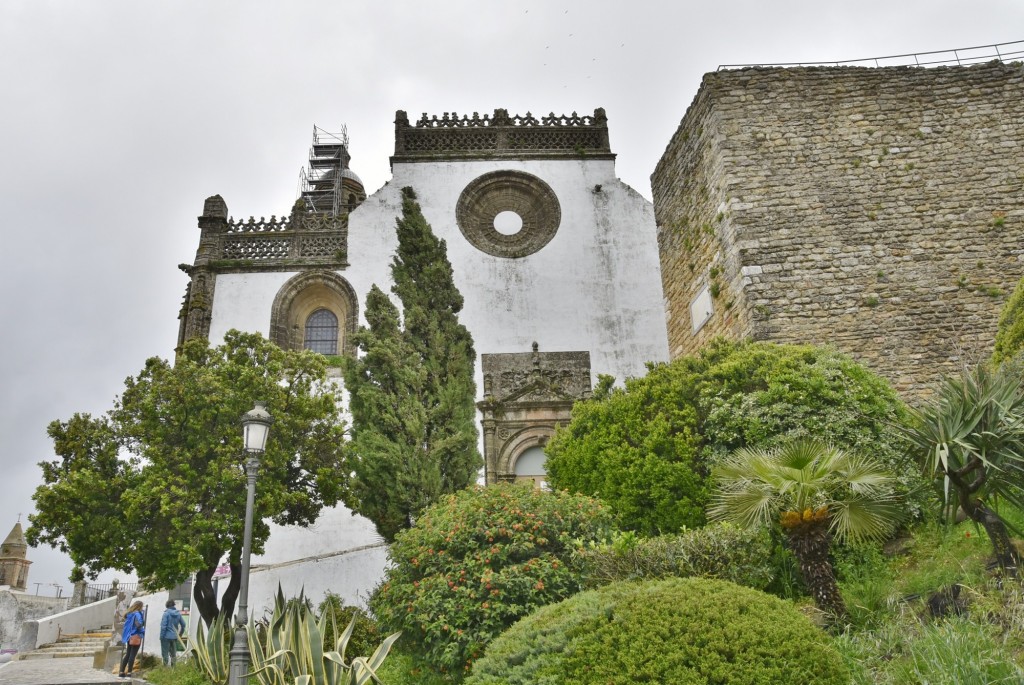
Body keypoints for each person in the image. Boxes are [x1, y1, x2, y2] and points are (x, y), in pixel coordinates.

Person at [119, 600, 145, 678]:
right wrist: (143, 631)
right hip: (136, 636)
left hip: (129, 636)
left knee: (127, 654)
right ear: (139, 606)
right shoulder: (137, 614)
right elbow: (138, 625)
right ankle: (129, 672)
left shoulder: (130, 614)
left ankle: (121, 672)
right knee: (132, 655)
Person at [159, 599, 186, 667]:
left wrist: (161, 637)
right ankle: (173, 669)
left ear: (167, 606)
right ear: (174, 605)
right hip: (174, 636)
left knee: (165, 654)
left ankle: (165, 669)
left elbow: (163, 627)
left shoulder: (166, 614)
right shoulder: (178, 614)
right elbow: (183, 624)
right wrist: (180, 634)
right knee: (173, 654)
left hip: (166, 637)